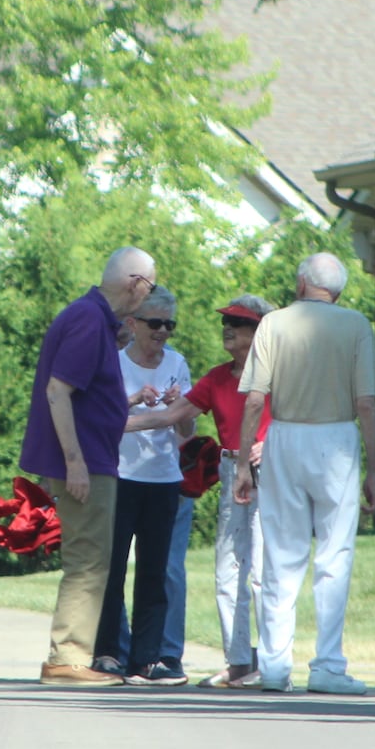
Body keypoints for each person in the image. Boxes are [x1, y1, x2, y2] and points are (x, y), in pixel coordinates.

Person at [232, 253, 375, 695]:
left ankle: (275, 666)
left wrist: (242, 463)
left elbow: (255, 399)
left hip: (285, 436)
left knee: (281, 551)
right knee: (335, 553)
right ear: (338, 290)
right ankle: (328, 665)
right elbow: (367, 403)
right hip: (336, 439)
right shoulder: (356, 326)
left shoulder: (273, 324)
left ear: (301, 283)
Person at [20, 246, 157, 686]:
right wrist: (75, 463)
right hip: (85, 463)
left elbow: (85, 390)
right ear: (135, 283)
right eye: (149, 287)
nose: (148, 297)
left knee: (92, 557)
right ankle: (68, 657)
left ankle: (71, 654)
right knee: (88, 561)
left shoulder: (96, 321)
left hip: (96, 457)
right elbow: (58, 391)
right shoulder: (87, 319)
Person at [128, 294, 275, 688]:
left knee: (261, 571)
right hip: (231, 470)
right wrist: (114, 425)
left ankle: (272, 661)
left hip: (270, 472)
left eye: (239, 323)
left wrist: (272, 442)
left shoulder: (279, 374)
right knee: (228, 570)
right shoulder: (217, 377)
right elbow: (175, 416)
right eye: (226, 320)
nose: (228, 328)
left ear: (260, 331)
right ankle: (238, 661)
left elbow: (301, 417)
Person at [92, 285, 193, 685]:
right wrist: (133, 402)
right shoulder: (113, 365)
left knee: (154, 572)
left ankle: (147, 659)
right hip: (120, 475)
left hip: (163, 477)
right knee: (112, 568)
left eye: (170, 324)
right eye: (155, 323)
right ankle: (108, 652)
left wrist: (175, 408)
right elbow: (100, 423)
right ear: (132, 324)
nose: (163, 332)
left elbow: (187, 428)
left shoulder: (177, 363)